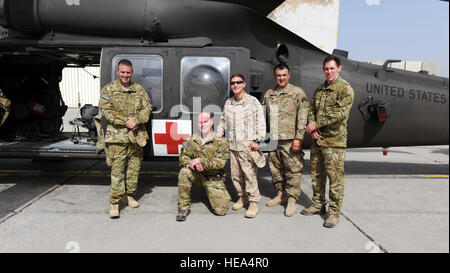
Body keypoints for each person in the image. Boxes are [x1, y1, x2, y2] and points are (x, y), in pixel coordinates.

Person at [301, 55, 354, 228]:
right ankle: (318, 204)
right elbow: (312, 109)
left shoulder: (345, 89)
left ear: (339, 68)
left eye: (332, 68)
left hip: (334, 141)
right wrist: (312, 126)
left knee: (335, 178)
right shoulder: (320, 90)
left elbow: (340, 113)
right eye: (326, 69)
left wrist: (317, 124)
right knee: (316, 174)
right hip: (318, 140)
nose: (329, 71)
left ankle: (333, 213)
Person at [98, 59, 152, 218]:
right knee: (117, 171)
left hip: (135, 138)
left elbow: (147, 109)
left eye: (128, 72)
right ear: (117, 72)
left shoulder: (139, 90)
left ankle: (128, 195)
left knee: (133, 171)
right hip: (117, 138)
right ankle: (114, 203)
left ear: (132, 73)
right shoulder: (109, 89)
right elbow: (106, 111)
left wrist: (137, 120)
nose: (125, 75)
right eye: (122, 72)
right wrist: (126, 122)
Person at [261, 63, 309, 217]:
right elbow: (263, 118)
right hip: (273, 139)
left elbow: (303, 117)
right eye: (278, 75)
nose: (281, 78)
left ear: (289, 75)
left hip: (290, 139)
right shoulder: (269, 94)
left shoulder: (297, 93)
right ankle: (281, 195)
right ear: (275, 76)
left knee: (293, 170)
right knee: (275, 170)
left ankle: (292, 199)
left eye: (284, 75)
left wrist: (298, 138)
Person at [217, 73, 266, 218]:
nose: (235, 85)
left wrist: (257, 140)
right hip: (233, 146)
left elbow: (261, 122)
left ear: (244, 84)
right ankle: (242, 197)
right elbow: (223, 120)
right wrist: (220, 129)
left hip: (247, 146)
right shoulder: (228, 103)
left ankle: (253, 202)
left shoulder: (253, 102)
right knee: (236, 176)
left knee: (249, 175)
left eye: (238, 82)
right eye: (233, 83)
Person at [176, 112, 231, 222]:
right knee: (184, 172)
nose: (202, 125)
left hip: (213, 178)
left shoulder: (221, 141)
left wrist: (202, 161)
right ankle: (183, 208)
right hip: (197, 175)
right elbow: (183, 157)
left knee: (221, 211)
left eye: (205, 122)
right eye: (200, 122)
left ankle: (214, 192)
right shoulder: (192, 140)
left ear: (211, 122)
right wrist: (192, 164)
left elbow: (221, 162)